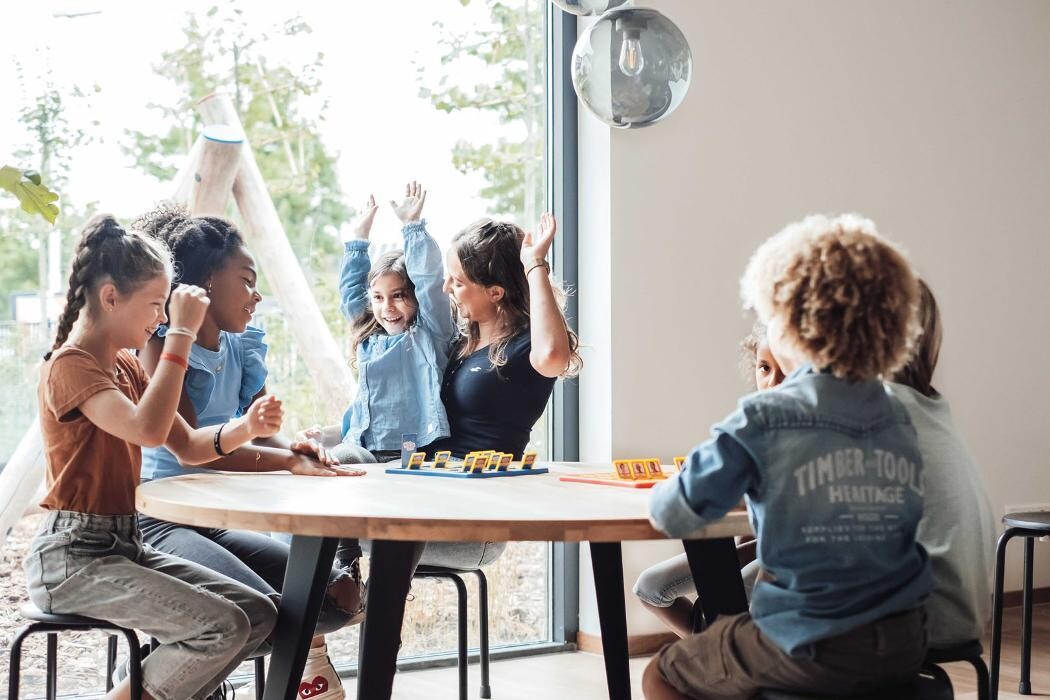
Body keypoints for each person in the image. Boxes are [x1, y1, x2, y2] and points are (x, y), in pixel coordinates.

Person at [643, 213, 932, 699]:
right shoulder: (897, 416)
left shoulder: (766, 417)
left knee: (664, 673)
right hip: (904, 640)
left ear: (789, 323)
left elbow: (674, 511)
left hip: (810, 641)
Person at [24, 214, 281, 700]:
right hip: (73, 558)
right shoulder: (70, 366)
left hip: (124, 544)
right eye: (155, 305)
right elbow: (147, 429)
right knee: (222, 628)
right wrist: (181, 337)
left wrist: (248, 428)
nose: (162, 318)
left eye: (166, 307)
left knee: (260, 616)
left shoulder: (124, 364)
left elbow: (186, 445)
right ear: (110, 298)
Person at [134, 203, 364, 700]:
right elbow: (201, 450)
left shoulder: (241, 347)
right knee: (260, 610)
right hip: (163, 517)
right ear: (206, 284)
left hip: (220, 514)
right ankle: (176, 681)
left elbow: (261, 428)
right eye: (246, 280)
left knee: (336, 597)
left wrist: (298, 450)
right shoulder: (160, 347)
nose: (257, 295)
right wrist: (289, 462)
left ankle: (203, 672)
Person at [415, 211, 582, 570]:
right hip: (431, 496)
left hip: (474, 524)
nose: (447, 288)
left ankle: (345, 599)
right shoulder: (461, 342)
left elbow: (554, 355)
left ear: (495, 292)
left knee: (327, 530)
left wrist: (535, 264)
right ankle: (340, 600)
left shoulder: (526, 348)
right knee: (328, 504)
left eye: (457, 282)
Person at [633, 323, 783, 638]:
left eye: (786, 369)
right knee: (650, 587)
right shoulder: (754, 427)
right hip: (761, 544)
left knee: (729, 604)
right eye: (764, 369)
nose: (773, 382)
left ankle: (723, 660)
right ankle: (715, 656)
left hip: (791, 557)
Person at [888, 279, 995, 648]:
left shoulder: (880, 411)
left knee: (736, 605)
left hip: (925, 618)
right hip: (962, 611)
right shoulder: (929, 408)